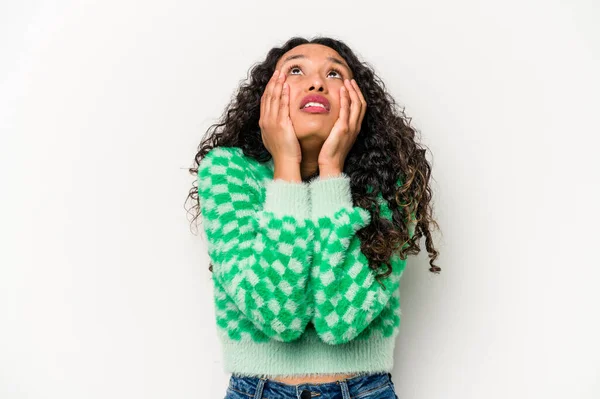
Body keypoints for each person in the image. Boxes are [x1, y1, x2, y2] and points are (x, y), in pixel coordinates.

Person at [186, 36, 441, 399]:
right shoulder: (228, 173)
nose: (317, 82)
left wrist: (330, 174)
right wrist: (287, 168)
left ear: (358, 102)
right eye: (295, 69)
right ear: (267, 95)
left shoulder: (393, 182)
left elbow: (341, 321)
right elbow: (277, 316)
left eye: (335, 74)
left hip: (366, 389)